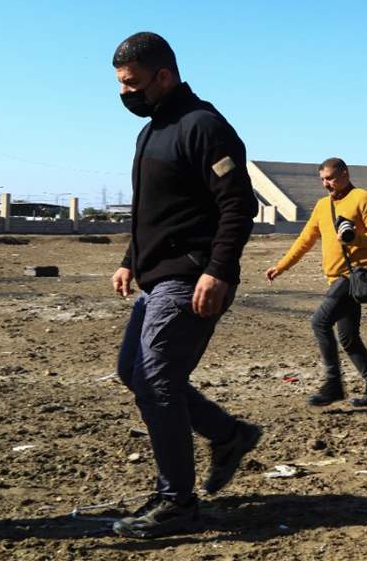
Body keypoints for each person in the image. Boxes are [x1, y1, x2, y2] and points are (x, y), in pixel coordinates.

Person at [110, 32, 263, 539]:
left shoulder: (203, 126)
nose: (124, 93)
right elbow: (157, 211)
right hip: (156, 279)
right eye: (120, 84)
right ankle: (228, 434)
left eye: (132, 83)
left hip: (191, 277)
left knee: (156, 381)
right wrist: (130, 260)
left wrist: (218, 270)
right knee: (132, 371)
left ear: (164, 75)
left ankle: (177, 501)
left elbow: (238, 204)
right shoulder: (152, 131)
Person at [266, 158, 367, 408]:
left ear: (345, 174)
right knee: (349, 338)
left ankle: (333, 385)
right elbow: (305, 239)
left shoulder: (363, 198)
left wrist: (354, 238)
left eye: (331, 178)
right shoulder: (322, 205)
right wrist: (282, 266)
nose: (326, 184)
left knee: (319, 322)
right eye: (323, 179)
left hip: (354, 276)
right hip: (336, 279)